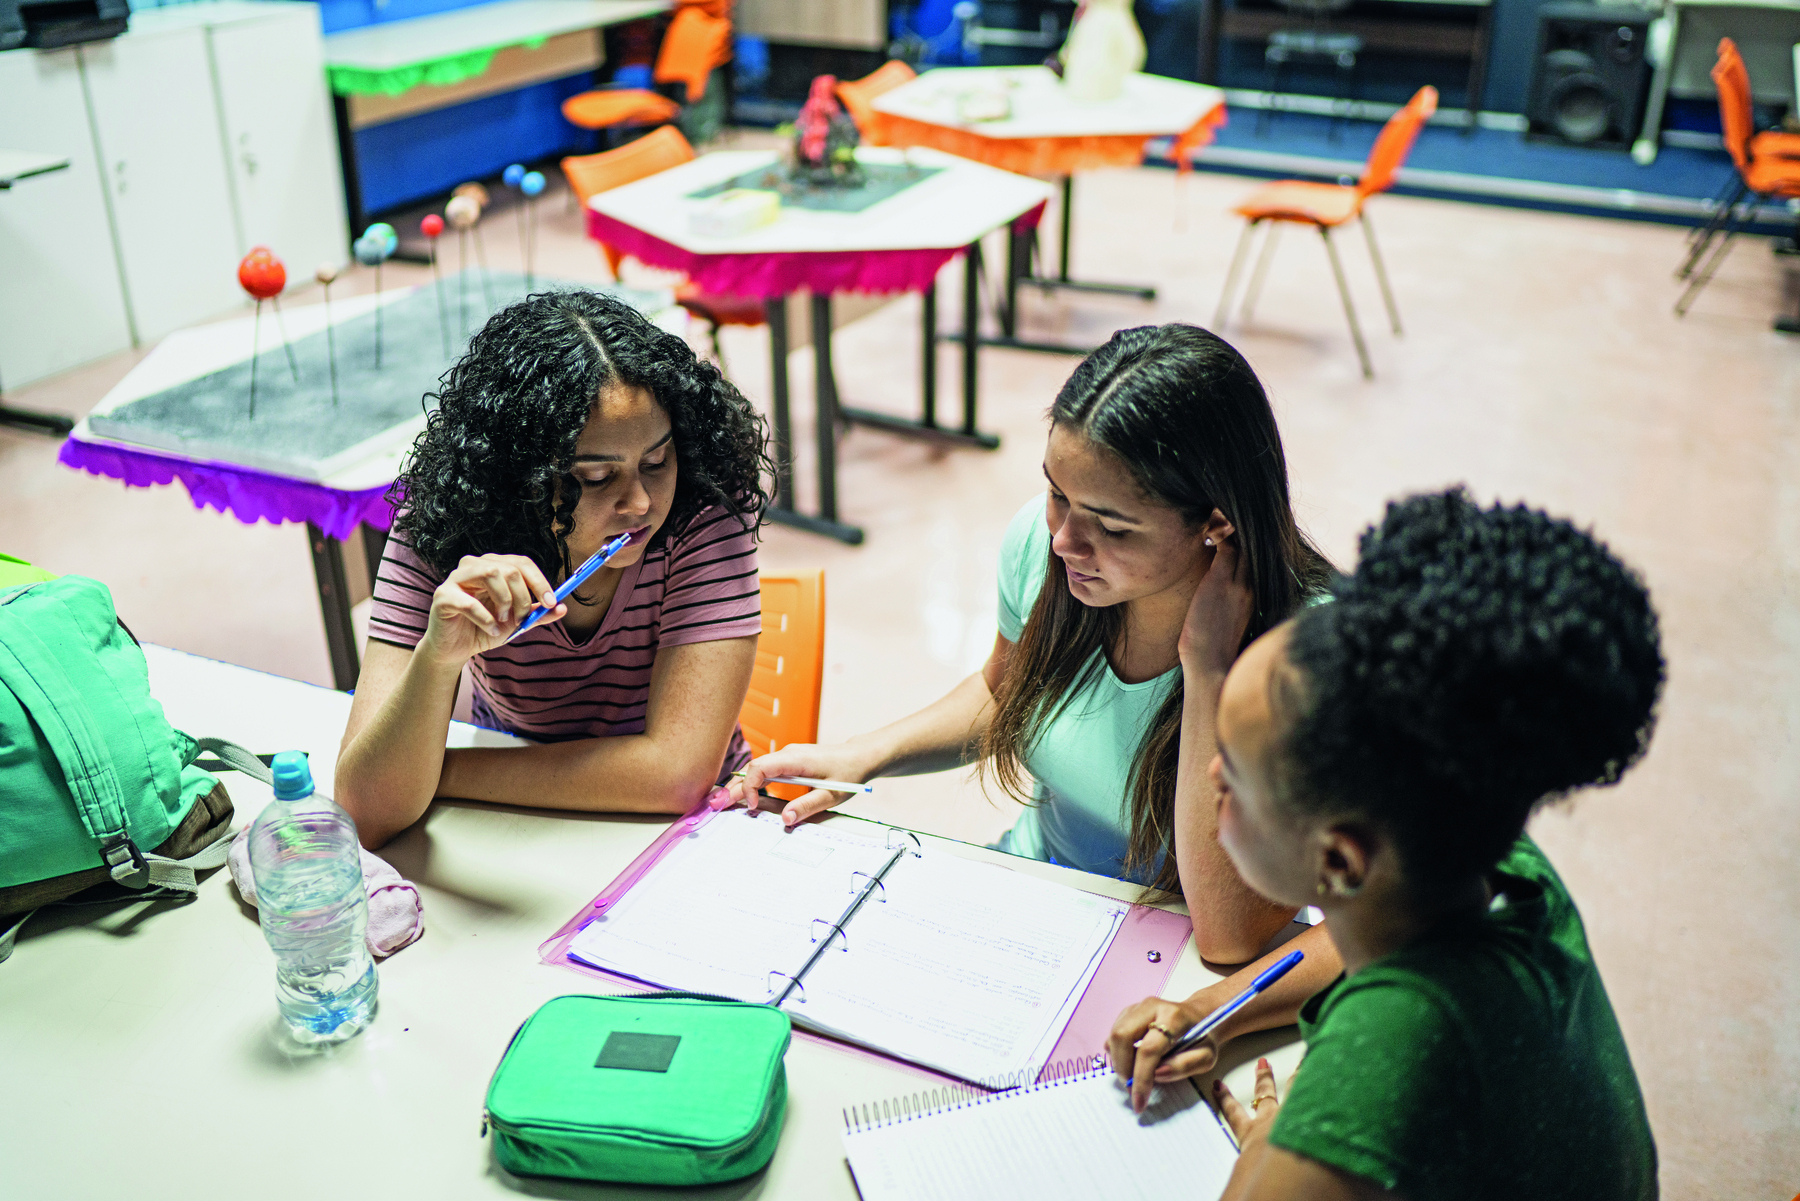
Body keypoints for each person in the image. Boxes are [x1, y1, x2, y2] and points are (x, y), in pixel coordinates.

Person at [1109, 488, 1663, 1201]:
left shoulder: (1392, 1044)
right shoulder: (1497, 867)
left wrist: (1275, 1157)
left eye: (1236, 774)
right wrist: (1211, 1009)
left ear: (1338, 859)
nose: (1211, 772)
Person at [730, 323, 1335, 964]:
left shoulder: (1308, 653)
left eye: (1110, 525)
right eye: (1056, 493)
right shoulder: (1047, 553)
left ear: (1216, 524)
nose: (1063, 541)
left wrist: (1210, 667)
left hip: (1177, 954)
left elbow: (1228, 931)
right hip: (1035, 892)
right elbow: (1005, 691)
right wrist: (863, 755)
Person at [336, 291, 772, 848]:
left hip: (685, 832)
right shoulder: (444, 527)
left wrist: (435, 775)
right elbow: (366, 811)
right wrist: (437, 659)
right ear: (518, 476)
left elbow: (677, 775)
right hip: (516, 824)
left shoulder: (701, 509)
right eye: (595, 477)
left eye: (657, 462)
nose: (639, 503)